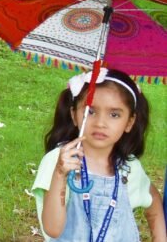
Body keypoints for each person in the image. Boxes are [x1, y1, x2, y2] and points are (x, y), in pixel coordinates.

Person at [32, 68, 166, 241]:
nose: (101, 123)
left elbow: (153, 201)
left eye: (114, 115)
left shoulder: (130, 168)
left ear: (129, 122)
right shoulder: (59, 161)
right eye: (90, 111)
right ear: (74, 115)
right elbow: (53, 229)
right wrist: (59, 174)